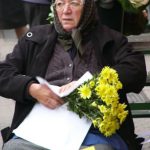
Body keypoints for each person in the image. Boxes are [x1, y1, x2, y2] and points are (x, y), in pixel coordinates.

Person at [0, 0, 146, 149]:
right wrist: (31, 88)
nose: (65, 11)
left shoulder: (110, 38)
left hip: (92, 134)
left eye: (74, 3)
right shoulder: (35, 38)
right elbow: (3, 73)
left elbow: (135, 70)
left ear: (88, 7)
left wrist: (91, 83)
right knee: (14, 148)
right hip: (40, 131)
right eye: (60, 4)